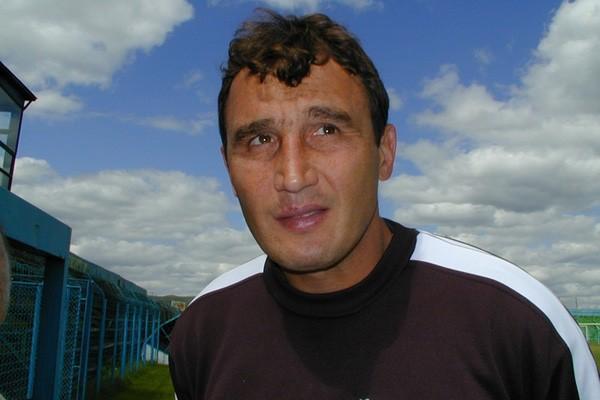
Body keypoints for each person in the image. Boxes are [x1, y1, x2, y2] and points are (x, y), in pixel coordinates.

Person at [169, 9, 600, 399]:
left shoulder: (518, 321)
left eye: (326, 131)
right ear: (229, 168)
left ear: (385, 152)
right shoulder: (203, 330)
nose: (294, 177)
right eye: (260, 140)